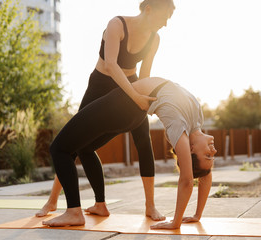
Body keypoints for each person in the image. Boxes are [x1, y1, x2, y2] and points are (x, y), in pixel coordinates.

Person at [35, 0, 175, 221]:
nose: (166, 23)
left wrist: (146, 100)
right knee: (73, 144)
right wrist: (135, 95)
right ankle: (53, 200)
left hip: (130, 87)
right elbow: (111, 64)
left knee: (143, 141)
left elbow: (145, 74)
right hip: (101, 85)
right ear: (149, 10)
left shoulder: (154, 38)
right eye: (165, 16)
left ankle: (149, 206)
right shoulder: (117, 25)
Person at [42, 77, 217, 229]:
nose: (214, 150)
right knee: (85, 148)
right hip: (131, 112)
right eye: (212, 155)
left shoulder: (177, 127)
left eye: (208, 155)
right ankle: (100, 205)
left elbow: (187, 180)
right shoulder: (196, 120)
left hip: (122, 106)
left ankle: (74, 211)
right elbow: (205, 176)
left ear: (191, 149)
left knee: (59, 148)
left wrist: (176, 222)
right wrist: (197, 215)